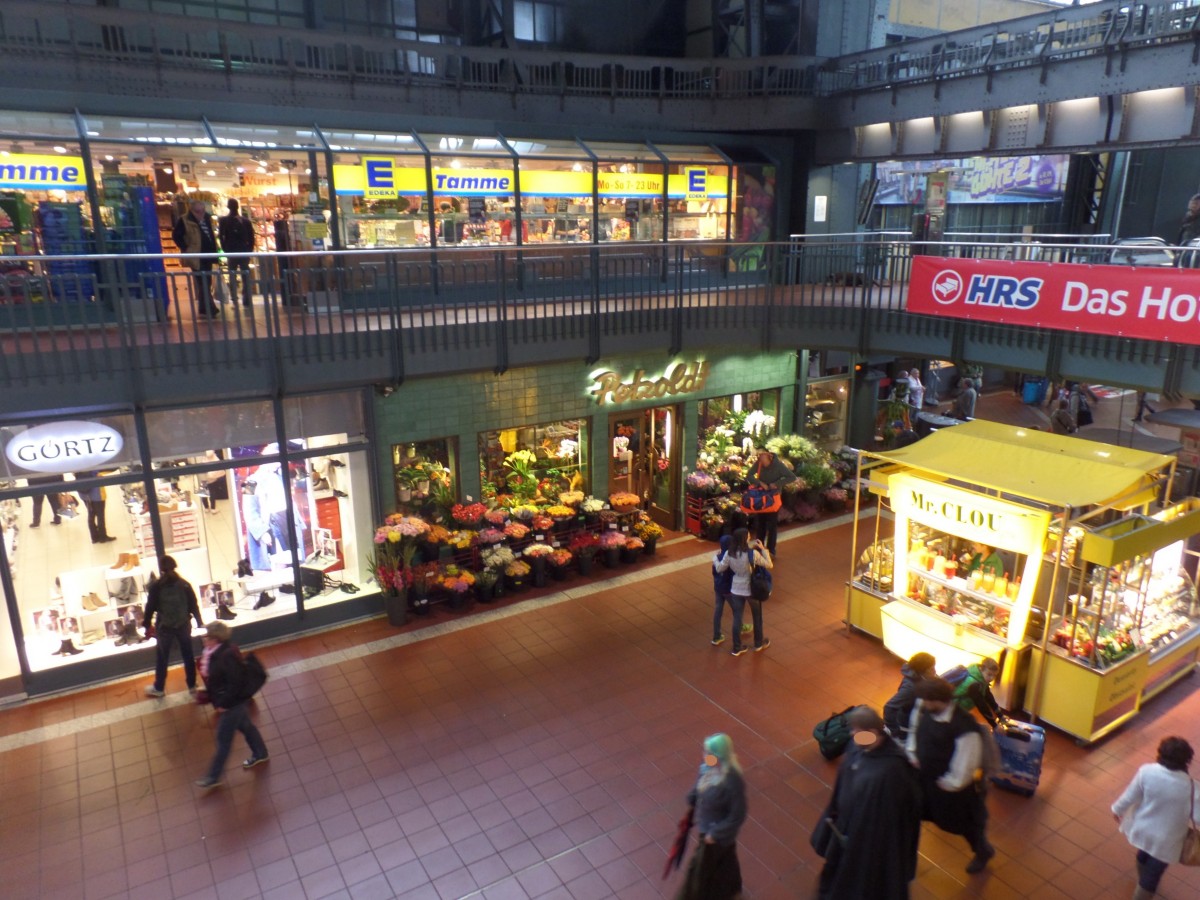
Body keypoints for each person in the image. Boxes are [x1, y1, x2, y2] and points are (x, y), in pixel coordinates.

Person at [814, 707, 923, 900]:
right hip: (846, 827)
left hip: (869, 840)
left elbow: (896, 815)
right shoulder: (859, 745)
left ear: (873, 732)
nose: (853, 735)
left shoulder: (892, 770)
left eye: (858, 730)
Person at [906, 678, 995, 874]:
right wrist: (912, 754)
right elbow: (915, 730)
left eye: (927, 700)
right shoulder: (926, 707)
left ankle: (982, 850)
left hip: (951, 790)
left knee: (964, 824)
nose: (923, 704)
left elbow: (965, 766)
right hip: (925, 779)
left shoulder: (965, 728)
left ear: (938, 700)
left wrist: (948, 784)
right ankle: (906, 858)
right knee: (911, 814)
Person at [1112, 736, 1200, 900]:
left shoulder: (1146, 772)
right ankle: (1142, 889)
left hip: (1143, 829)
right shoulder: (1192, 788)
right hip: (1168, 840)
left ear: (1161, 754)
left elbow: (1130, 796)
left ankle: (1141, 878)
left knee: (1143, 855)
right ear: (1187, 760)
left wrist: (1117, 809)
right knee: (1152, 876)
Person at [194, 620, 269, 788]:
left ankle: (213, 777)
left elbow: (235, 683)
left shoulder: (225, 655)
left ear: (216, 638)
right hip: (234, 702)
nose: (204, 639)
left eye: (207, 636)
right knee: (246, 726)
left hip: (231, 704)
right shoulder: (214, 652)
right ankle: (261, 753)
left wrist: (223, 703)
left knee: (223, 740)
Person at [675, 733, 747, 900]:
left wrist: (714, 834)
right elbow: (699, 785)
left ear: (719, 756)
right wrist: (692, 797)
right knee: (726, 860)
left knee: (698, 869)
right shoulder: (708, 767)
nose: (705, 756)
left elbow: (738, 815)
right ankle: (731, 887)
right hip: (709, 828)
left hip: (714, 835)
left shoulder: (732, 782)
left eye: (709, 753)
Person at [142, 555, 204, 698]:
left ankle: (159, 688)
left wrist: (146, 625)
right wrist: (199, 621)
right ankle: (192, 686)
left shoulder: (156, 587)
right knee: (188, 655)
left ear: (161, 569)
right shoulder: (185, 584)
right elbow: (193, 604)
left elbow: (150, 607)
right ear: (175, 566)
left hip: (165, 627)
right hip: (183, 625)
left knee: (162, 658)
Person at [716, 528, 773, 656]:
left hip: (735, 589)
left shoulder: (729, 553)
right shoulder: (752, 554)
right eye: (748, 536)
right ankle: (758, 643)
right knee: (757, 616)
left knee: (737, 617)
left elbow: (720, 568)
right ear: (745, 539)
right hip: (751, 589)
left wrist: (715, 558)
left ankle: (737, 647)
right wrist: (763, 549)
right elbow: (769, 564)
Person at [172, 198, 221, 318]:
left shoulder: (207, 218)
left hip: (208, 254)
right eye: (198, 212)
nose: (201, 214)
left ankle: (204, 308)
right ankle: (210, 308)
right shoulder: (184, 220)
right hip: (196, 255)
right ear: (192, 211)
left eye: (202, 211)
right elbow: (176, 236)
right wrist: (186, 247)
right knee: (203, 281)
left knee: (206, 281)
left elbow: (209, 234)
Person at [746, 449, 794, 556]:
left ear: (768, 456)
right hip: (761, 497)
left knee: (772, 525)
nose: (760, 459)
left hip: (773, 499)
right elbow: (749, 475)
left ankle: (771, 550)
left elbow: (791, 477)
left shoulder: (778, 465)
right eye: (759, 457)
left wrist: (777, 483)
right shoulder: (758, 463)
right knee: (760, 523)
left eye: (762, 457)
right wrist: (760, 483)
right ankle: (759, 546)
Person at [883, 651, 937, 739]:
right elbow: (889, 707)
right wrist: (894, 730)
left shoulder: (917, 676)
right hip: (906, 727)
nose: (935, 671)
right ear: (924, 670)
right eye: (932, 668)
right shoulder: (910, 687)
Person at [218, 198, 256, 308]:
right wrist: (249, 249)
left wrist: (225, 249)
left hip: (232, 251)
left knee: (233, 276)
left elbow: (221, 236)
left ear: (228, 207)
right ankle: (246, 299)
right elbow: (251, 237)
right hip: (243, 250)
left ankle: (235, 300)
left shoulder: (224, 220)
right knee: (245, 276)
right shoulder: (245, 221)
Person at [952, 657, 1004, 728]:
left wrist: (1000, 715)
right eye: (989, 674)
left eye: (994, 676)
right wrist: (994, 725)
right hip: (953, 709)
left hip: (960, 709)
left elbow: (988, 697)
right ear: (981, 669)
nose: (991, 678)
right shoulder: (973, 683)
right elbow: (981, 705)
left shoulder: (981, 679)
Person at [77, 471, 115, 544]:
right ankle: (103, 537)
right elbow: (106, 470)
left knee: (91, 514)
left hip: (85, 495)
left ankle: (94, 538)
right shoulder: (94, 467)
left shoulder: (78, 466)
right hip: (97, 494)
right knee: (100, 516)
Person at [710, 534, 734, 647]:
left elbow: (714, 572)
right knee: (737, 610)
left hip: (718, 587)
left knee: (718, 610)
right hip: (728, 589)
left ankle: (716, 636)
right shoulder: (730, 558)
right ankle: (741, 627)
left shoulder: (717, 557)